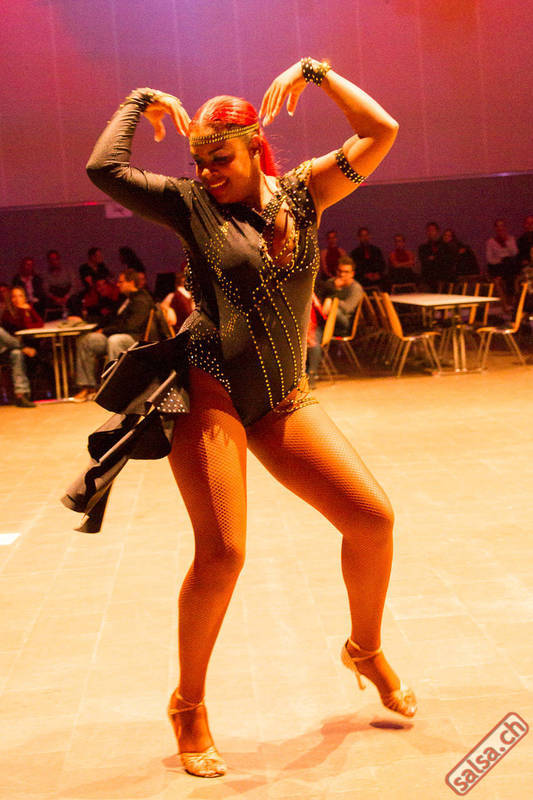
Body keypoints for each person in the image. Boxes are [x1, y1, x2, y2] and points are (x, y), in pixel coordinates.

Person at [77, 57, 416, 778]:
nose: (206, 173)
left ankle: (364, 649)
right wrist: (140, 99)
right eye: (198, 161)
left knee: (372, 520)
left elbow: (381, 129)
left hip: (283, 395)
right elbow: (103, 169)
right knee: (224, 552)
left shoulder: (307, 192)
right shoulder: (187, 204)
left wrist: (317, 73)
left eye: (219, 159)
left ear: (255, 147)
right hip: (212, 388)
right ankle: (188, 704)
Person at [73, 268, 153, 402]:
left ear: (131, 282)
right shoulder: (125, 299)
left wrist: (105, 331)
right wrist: (87, 322)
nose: (117, 284)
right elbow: (110, 318)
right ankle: (88, 387)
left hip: (134, 338)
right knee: (87, 340)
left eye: (121, 282)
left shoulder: (141, 300)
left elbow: (132, 326)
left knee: (115, 341)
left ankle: (113, 389)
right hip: (116, 334)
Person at [0, 286, 43, 408]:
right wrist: (23, 347)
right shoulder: (7, 314)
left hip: (11, 349)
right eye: (14, 296)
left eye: (20, 296)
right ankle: (22, 348)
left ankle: (21, 395)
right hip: (4, 349)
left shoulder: (17, 310)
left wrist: (28, 310)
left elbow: (38, 324)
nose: (17, 299)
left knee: (17, 354)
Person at [322, 255, 363, 336]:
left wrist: (334, 298)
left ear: (352, 274)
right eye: (339, 271)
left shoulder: (355, 288)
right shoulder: (330, 283)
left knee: (333, 310)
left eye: (346, 272)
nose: (342, 274)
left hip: (345, 321)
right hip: (327, 316)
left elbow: (348, 309)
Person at [486, 219, 519, 309]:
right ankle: (505, 305)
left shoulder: (511, 239)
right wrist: (500, 260)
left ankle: (513, 302)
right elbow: (489, 259)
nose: (500, 228)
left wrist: (506, 242)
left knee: (511, 273)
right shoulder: (491, 242)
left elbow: (514, 252)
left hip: (509, 265)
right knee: (498, 281)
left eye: (502, 226)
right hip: (497, 265)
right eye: (498, 226)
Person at [418, 222, 452, 291]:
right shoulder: (423, 247)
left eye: (432, 230)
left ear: (437, 231)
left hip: (441, 276)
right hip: (428, 277)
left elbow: (445, 260)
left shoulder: (444, 246)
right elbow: (423, 260)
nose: (430, 232)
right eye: (429, 230)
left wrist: (433, 258)